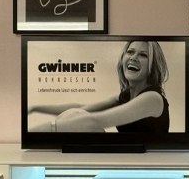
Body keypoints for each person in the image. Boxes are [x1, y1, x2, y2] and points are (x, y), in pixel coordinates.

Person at [29, 41, 170, 133]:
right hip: (128, 156)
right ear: (123, 58)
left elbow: (95, 121)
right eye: (130, 52)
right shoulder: (126, 96)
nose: (133, 58)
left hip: (150, 160)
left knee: (84, 122)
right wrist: (36, 108)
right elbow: (82, 108)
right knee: (74, 113)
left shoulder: (153, 98)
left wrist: (37, 132)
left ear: (153, 65)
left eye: (143, 55)